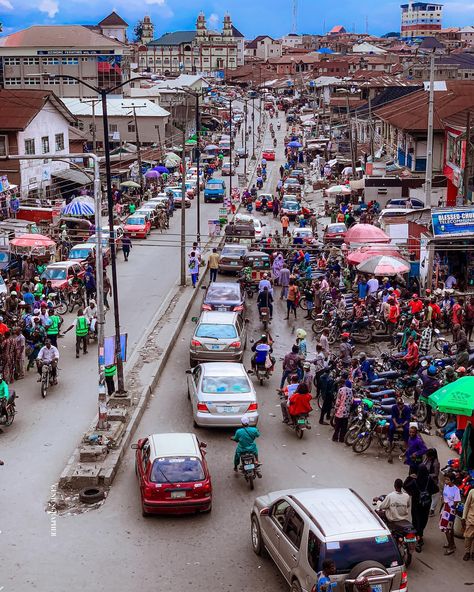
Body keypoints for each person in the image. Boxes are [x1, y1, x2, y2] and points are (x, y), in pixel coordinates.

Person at [403, 464, 439, 551]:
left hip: (416, 504)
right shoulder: (429, 480)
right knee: (423, 519)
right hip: (426, 504)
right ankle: (420, 534)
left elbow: (405, 486)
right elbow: (436, 489)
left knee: (416, 519)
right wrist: (428, 493)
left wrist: (409, 477)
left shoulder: (415, 481)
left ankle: (416, 535)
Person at [438, 472, 461, 555]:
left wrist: (450, 512)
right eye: (445, 479)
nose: (446, 481)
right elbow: (444, 497)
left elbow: (456, 502)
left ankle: (451, 548)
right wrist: (442, 508)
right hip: (445, 509)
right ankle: (452, 544)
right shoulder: (446, 486)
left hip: (450, 511)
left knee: (448, 530)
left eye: (448, 480)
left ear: (452, 480)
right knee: (446, 529)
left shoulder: (456, 490)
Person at [388, 398, 411, 462]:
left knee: (406, 430)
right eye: (399, 404)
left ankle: (405, 444)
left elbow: (408, 419)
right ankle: (390, 443)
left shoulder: (407, 409)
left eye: (401, 404)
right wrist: (396, 424)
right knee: (391, 428)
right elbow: (393, 417)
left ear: (403, 404)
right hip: (396, 420)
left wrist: (403, 425)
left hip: (403, 421)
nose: (400, 406)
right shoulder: (394, 407)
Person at [332, 373, 353, 443]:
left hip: (340, 411)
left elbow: (338, 401)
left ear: (340, 384)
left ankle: (335, 437)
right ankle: (341, 439)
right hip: (347, 411)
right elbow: (351, 401)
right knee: (344, 427)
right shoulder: (350, 391)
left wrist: (335, 409)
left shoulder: (340, 390)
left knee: (337, 426)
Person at [422, 448, 441, 517]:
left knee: (434, 496)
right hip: (425, 480)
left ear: (432, 456)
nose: (427, 457)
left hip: (432, 482)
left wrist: (427, 475)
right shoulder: (427, 460)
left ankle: (432, 510)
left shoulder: (436, 463)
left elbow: (436, 474)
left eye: (428, 456)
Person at [462, 487, 474, 561]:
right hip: (471, 519)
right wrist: (463, 517)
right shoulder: (472, 491)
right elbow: (466, 505)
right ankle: (467, 552)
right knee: (468, 537)